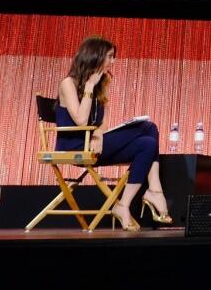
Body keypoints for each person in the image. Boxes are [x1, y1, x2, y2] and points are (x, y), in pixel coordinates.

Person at [56, 36, 171, 230]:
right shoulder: (68, 83)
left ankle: (124, 205)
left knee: (148, 143)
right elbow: (81, 120)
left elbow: (102, 122)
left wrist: (99, 134)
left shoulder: (102, 82)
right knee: (148, 128)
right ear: (96, 56)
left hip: (93, 143)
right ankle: (154, 190)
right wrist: (90, 86)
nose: (113, 61)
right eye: (110, 56)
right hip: (75, 146)